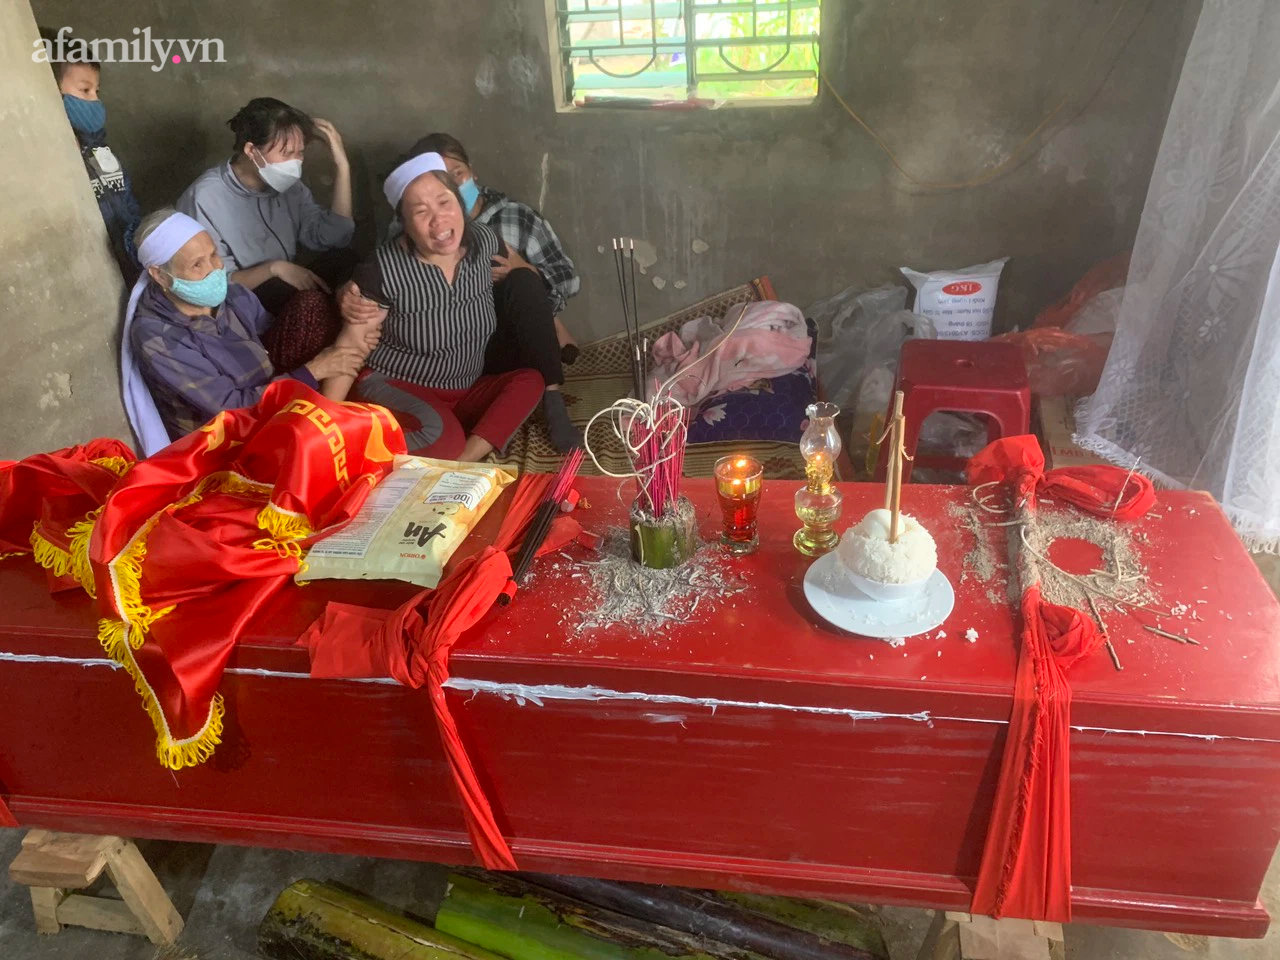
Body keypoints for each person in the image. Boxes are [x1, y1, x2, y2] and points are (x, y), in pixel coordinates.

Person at [354, 132, 581, 452]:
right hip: (420, 366)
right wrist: (347, 295)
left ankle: (545, 404)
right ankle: (449, 450)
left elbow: (561, 279)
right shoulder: (395, 250)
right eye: (421, 211)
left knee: (525, 295)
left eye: (447, 193)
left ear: (467, 178)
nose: (438, 219)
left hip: (486, 343)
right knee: (442, 436)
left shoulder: (496, 228)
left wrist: (526, 274)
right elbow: (374, 288)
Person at [122, 209, 367, 455]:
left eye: (214, 255)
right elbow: (228, 409)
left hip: (265, 389)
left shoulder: (230, 295)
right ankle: (316, 427)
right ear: (160, 276)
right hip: (227, 437)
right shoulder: (158, 337)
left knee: (312, 306)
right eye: (198, 264)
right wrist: (313, 371)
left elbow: (271, 341)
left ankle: (322, 413)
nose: (214, 269)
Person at [176, 97, 355, 315]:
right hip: (242, 299)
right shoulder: (203, 198)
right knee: (309, 304)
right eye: (287, 154)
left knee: (352, 264)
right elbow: (215, 284)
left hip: (286, 281)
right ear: (252, 151)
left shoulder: (290, 188)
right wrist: (274, 269)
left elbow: (334, 236)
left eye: (300, 153)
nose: (295, 163)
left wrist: (343, 167)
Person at [41, 28, 141, 283]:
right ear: (48, 89)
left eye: (97, 91)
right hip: (91, 275)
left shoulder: (101, 150)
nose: (95, 101)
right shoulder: (47, 160)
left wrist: (138, 243)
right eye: (85, 90)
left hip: (129, 263)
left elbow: (128, 202)